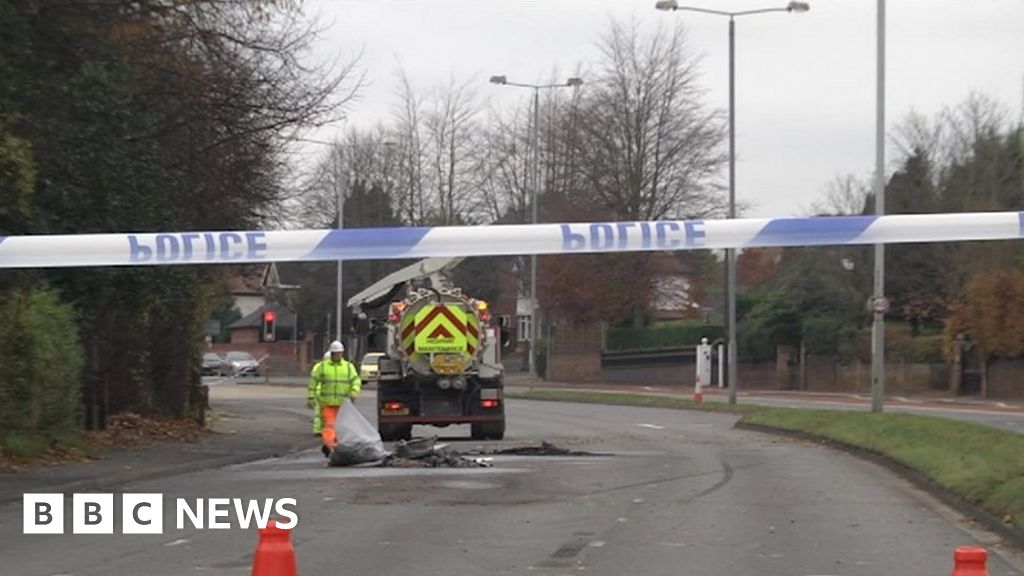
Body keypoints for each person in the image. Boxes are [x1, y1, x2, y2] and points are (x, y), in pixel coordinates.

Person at [307, 340, 362, 457]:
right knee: (329, 426)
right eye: (335, 353)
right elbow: (313, 382)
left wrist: (354, 391)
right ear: (331, 354)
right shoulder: (322, 367)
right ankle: (331, 448)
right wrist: (311, 397)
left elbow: (356, 380)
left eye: (339, 353)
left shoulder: (348, 367)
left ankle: (337, 446)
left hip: (343, 405)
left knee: (341, 428)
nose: (337, 355)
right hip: (327, 404)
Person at [311, 351, 330, 437]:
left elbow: (313, 378)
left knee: (318, 412)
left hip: (318, 391)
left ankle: (317, 430)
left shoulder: (318, 366)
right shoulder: (330, 367)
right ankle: (326, 429)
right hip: (326, 392)